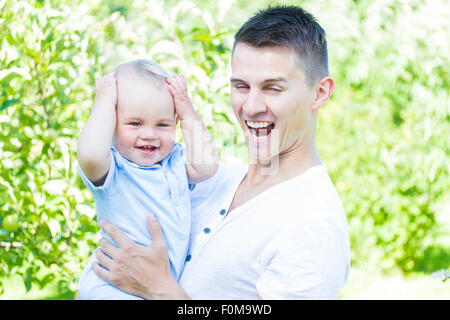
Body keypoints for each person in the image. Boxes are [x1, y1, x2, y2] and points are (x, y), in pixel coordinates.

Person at [83, 5, 350, 300]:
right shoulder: (206, 179)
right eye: (241, 86)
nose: (251, 107)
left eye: (273, 88)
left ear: (320, 92)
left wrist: (160, 290)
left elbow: (149, 281)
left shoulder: (314, 225)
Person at [76, 59, 218, 299]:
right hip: (113, 286)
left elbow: (207, 166)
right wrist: (103, 104)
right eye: (135, 123)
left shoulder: (174, 161)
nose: (149, 134)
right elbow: (89, 155)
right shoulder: (115, 169)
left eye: (162, 124)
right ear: (111, 124)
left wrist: (186, 109)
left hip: (150, 287)